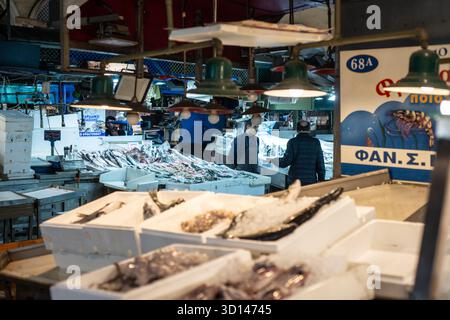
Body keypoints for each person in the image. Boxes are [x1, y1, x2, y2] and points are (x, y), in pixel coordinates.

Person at [271, 120, 325, 186]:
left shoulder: (292, 142)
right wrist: (321, 179)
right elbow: (320, 163)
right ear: (309, 130)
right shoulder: (316, 142)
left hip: (294, 181)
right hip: (310, 181)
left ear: (297, 130)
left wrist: (273, 160)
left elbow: (285, 162)